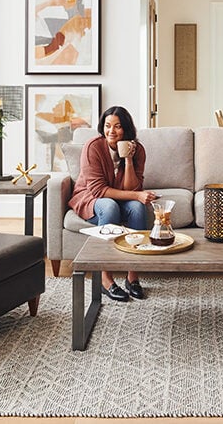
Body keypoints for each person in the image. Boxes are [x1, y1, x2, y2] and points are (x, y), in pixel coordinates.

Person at [68, 106, 158, 301]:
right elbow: (99, 191)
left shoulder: (137, 149)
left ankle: (133, 276)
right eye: (108, 126)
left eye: (117, 127)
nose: (111, 131)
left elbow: (132, 189)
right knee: (110, 206)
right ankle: (104, 278)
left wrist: (128, 160)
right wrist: (136, 196)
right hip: (91, 197)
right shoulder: (93, 147)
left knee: (136, 208)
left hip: (121, 197)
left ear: (126, 129)